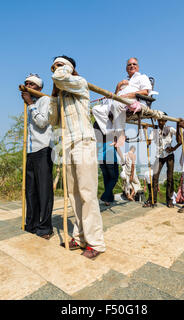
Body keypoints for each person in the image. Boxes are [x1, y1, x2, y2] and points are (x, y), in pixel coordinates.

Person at [50, 55, 105, 259]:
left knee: (87, 193)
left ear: (70, 68)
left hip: (84, 142)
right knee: (73, 193)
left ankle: (96, 243)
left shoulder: (79, 83)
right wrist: (54, 97)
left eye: (59, 65)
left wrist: (60, 71)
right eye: (53, 66)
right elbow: (53, 120)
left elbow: (61, 77)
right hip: (68, 143)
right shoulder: (61, 92)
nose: (55, 69)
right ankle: (80, 236)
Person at [20, 73, 54, 240]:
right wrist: (29, 104)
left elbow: (42, 123)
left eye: (31, 84)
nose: (27, 86)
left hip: (43, 149)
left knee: (44, 190)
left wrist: (30, 103)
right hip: (30, 151)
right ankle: (31, 223)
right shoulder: (30, 105)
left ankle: (45, 227)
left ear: (39, 87)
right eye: (26, 83)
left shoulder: (45, 100)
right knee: (31, 190)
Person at [92, 57, 152, 147]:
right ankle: (111, 134)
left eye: (134, 64)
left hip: (132, 101)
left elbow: (146, 92)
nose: (132, 66)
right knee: (96, 109)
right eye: (129, 64)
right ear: (126, 68)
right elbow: (116, 95)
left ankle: (121, 134)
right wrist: (118, 86)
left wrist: (127, 95)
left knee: (117, 103)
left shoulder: (142, 77)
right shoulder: (125, 81)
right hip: (118, 101)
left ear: (138, 67)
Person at [143, 117, 180, 208]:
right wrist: (145, 131)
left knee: (170, 178)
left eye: (163, 120)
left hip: (169, 154)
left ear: (166, 121)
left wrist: (174, 148)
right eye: (159, 120)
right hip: (159, 156)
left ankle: (169, 200)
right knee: (155, 178)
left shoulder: (170, 129)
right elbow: (148, 142)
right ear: (157, 121)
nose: (161, 122)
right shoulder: (154, 131)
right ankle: (152, 199)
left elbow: (180, 138)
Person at [97, 130, 120, 206]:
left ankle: (109, 199)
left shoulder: (99, 138)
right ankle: (104, 197)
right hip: (110, 159)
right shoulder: (112, 136)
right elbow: (117, 148)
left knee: (106, 179)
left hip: (101, 159)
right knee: (114, 178)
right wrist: (122, 159)